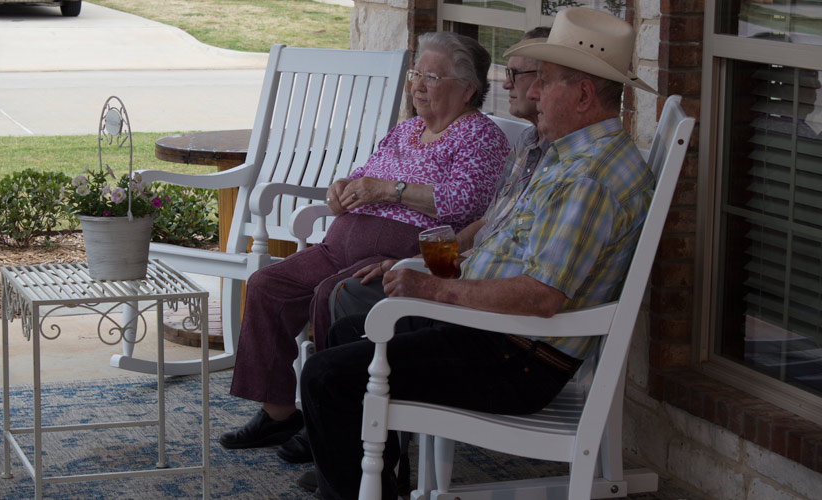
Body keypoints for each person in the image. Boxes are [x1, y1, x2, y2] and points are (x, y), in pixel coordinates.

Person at [300, 8, 658, 499]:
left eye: (544, 81)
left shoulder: (588, 179)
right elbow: (503, 240)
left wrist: (432, 287)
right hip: (492, 330)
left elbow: (540, 297)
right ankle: (376, 488)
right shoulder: (566, 153)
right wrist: (425, 267)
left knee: (326, 376)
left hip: (515, 358)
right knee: (345, 334)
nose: (530, 92)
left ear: (582, 95)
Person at [219, 31, 511, 461]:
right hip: (340, 242)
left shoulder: (479, 137)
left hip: (407, 250)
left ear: (467, 88)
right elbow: (363, 177)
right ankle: (279, 414)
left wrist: (390, 190)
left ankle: (334, 428)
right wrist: (340, 191)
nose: (418, 86)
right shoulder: (405, 130)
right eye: (416, 75)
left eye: (432, 76)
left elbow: (462, 203)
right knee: (267, 284)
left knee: (330, 296)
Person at [328, 26, 553, 328]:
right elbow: (491, 222)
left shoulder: (570, 167)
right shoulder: (529, 145)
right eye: (416, 76)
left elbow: (470, 208)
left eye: (516, 75)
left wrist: (429, 278)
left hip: (483, 308)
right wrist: (427, 261)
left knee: (343, 298)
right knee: (285, 288)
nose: (505, 85)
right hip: (461, 274)